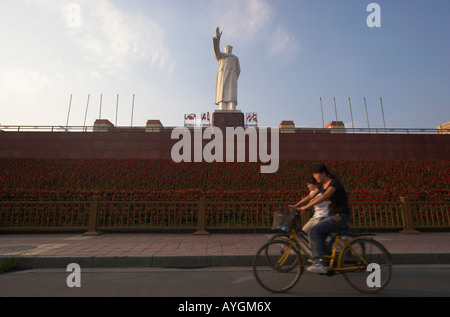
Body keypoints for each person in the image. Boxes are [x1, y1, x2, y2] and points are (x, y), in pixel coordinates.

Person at [298, 164, 351, 274]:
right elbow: (310, 196)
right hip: (333, 217)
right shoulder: (322, 185)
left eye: (316, 174)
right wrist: (296, 205)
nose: (315, 176)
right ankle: (327, 261)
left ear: (324, 173)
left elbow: (324, 196)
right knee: (320, 238)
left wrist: (306, 207)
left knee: (313, 231)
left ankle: (320, 263)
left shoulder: (333, 184)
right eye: (313, 174)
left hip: (340, 217)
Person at [213, 27, 241, 111]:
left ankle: (232, 106)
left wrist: (234, 75)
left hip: (232, 78)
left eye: (230, 48)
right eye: (227, 48)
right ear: (225, 49)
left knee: (231, 94)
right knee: (222, 93)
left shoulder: (235, 58)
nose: (228, 49)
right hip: (223, 76)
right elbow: (216, 50)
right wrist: (217, 39)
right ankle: (222, 106)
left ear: (231, 50)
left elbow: (238, 70)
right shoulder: (221, 56)